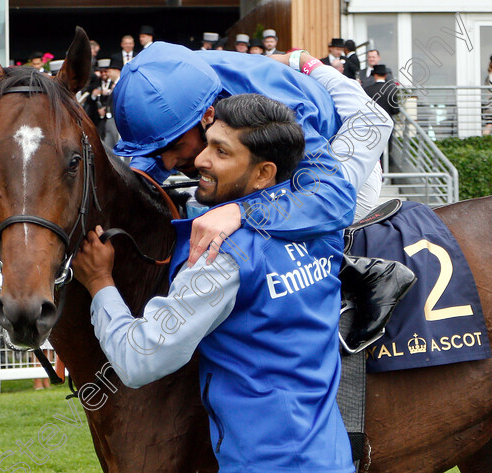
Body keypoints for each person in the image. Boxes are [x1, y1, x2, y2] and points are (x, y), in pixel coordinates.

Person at [73, 93, 355, 473]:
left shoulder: (221, 258)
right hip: (330, 458)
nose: (201, 159)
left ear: (263, 173)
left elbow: (138, 359)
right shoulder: (323, 230)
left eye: (221, 152)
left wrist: (99, 283)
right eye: (207, 143)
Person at [111, 44, 401, 325]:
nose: (169, 163)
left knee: (251, 218)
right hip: (285, 141)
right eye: (157, 151)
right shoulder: (166, 80)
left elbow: (332, 199)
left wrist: (243, 213)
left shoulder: (274, 110)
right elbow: (145, 170)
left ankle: (363, 276)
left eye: (175, 146)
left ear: (207, 116)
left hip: (338, 156)